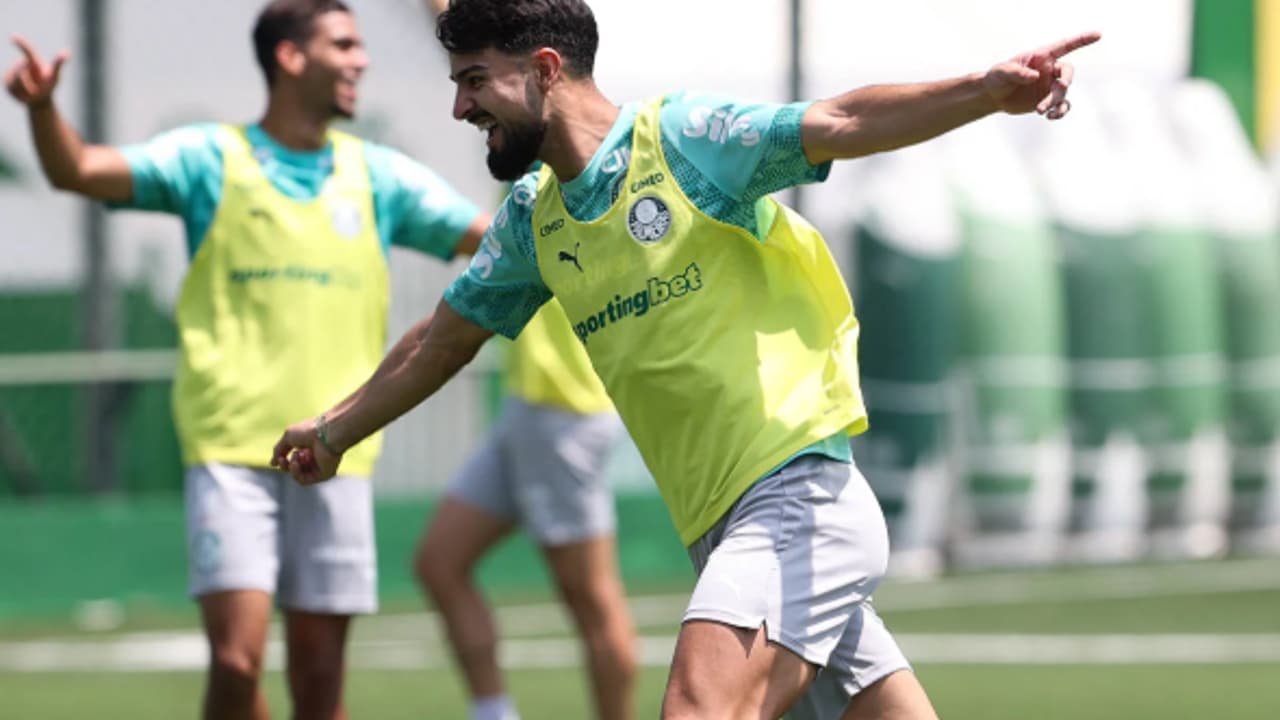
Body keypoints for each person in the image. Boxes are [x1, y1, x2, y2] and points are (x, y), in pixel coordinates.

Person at [271, 1, 1100, 717]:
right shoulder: (533, 218)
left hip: (796, 499)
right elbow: (442, 339)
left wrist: (988, 93)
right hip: (721, 527)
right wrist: (338, 428)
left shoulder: (683, 142)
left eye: (475, 79)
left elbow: (842, 120)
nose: (459, 106)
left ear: (547, 69)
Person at [4, 1, 487, 718]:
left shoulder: (377, 175)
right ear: (291, 58)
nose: (361, 59)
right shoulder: (209, 159)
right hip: (231, 451)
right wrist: (44, 111)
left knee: (321, 678)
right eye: (343, 44)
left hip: (338, 448)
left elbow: (491, 240)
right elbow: (79, 170)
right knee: (236, 660)